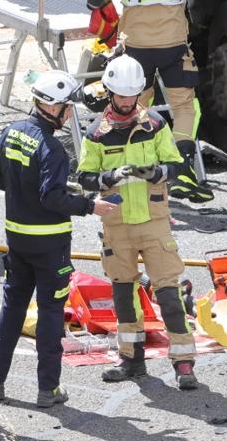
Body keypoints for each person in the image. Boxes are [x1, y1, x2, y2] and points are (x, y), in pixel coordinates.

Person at [0, 71, 118, 407]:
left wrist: (25, 188)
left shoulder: (9, 132)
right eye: (67, 107)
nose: (70, 113)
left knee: (12, 309)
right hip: (49, 245)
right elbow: (51, 199)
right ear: (52, 107)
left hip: (17, 239)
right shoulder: (53, 149)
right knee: (51, 314)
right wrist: (90, 206)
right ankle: (48, 390)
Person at [77, 55, 198, 389]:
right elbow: (84, 177)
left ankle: (184, 363)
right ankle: (131, 360)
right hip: (118, 227)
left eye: (133, 96)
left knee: (170, 295)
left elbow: (176, 164)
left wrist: (158, 172)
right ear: (111, 94)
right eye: (123, 96)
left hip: (153, 223)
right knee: (124, 296)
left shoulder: (155, 125)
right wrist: (107, 177)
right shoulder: (97, 135)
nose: (129, 102)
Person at [85, 0, 211, 203]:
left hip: (136, 48)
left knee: (136, 107)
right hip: (173, 45)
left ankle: (127, 170)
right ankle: (181, 170)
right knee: (186, 108)